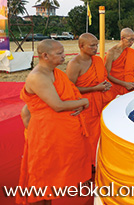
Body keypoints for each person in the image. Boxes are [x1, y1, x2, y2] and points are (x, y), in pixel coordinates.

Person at [17, 39, 91, 204]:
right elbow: (57, 105)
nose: (64, 56)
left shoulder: (56, 73)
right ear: (45, 55)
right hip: (44, 134)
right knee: (41, 177)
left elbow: (30, 108)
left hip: (56, 133)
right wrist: (83, 102)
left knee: (51, 176)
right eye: (59, 53)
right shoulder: (38, 76)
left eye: (63, 52)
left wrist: (76, 102)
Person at [66, 33, 111, 165]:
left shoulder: (97, 60)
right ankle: (88, 163)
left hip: (100, 101)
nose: (95, 48)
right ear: (81, 46)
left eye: (96, 45)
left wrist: (105, 85)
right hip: (84, 105)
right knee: (88, 137)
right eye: (92, 45)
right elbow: (70, 88)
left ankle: (98, 160)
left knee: (100, 134)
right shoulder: (74, 64)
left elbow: (101, 79)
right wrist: (95, 88)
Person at [103, 28, 134, 104]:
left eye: (133, 40)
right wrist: (125, 84)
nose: (132, 42)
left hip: (130, 87)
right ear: (122, 38)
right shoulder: (111, 52)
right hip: (115, 88)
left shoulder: (131, 52)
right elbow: (107, 74)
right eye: (130, 40)